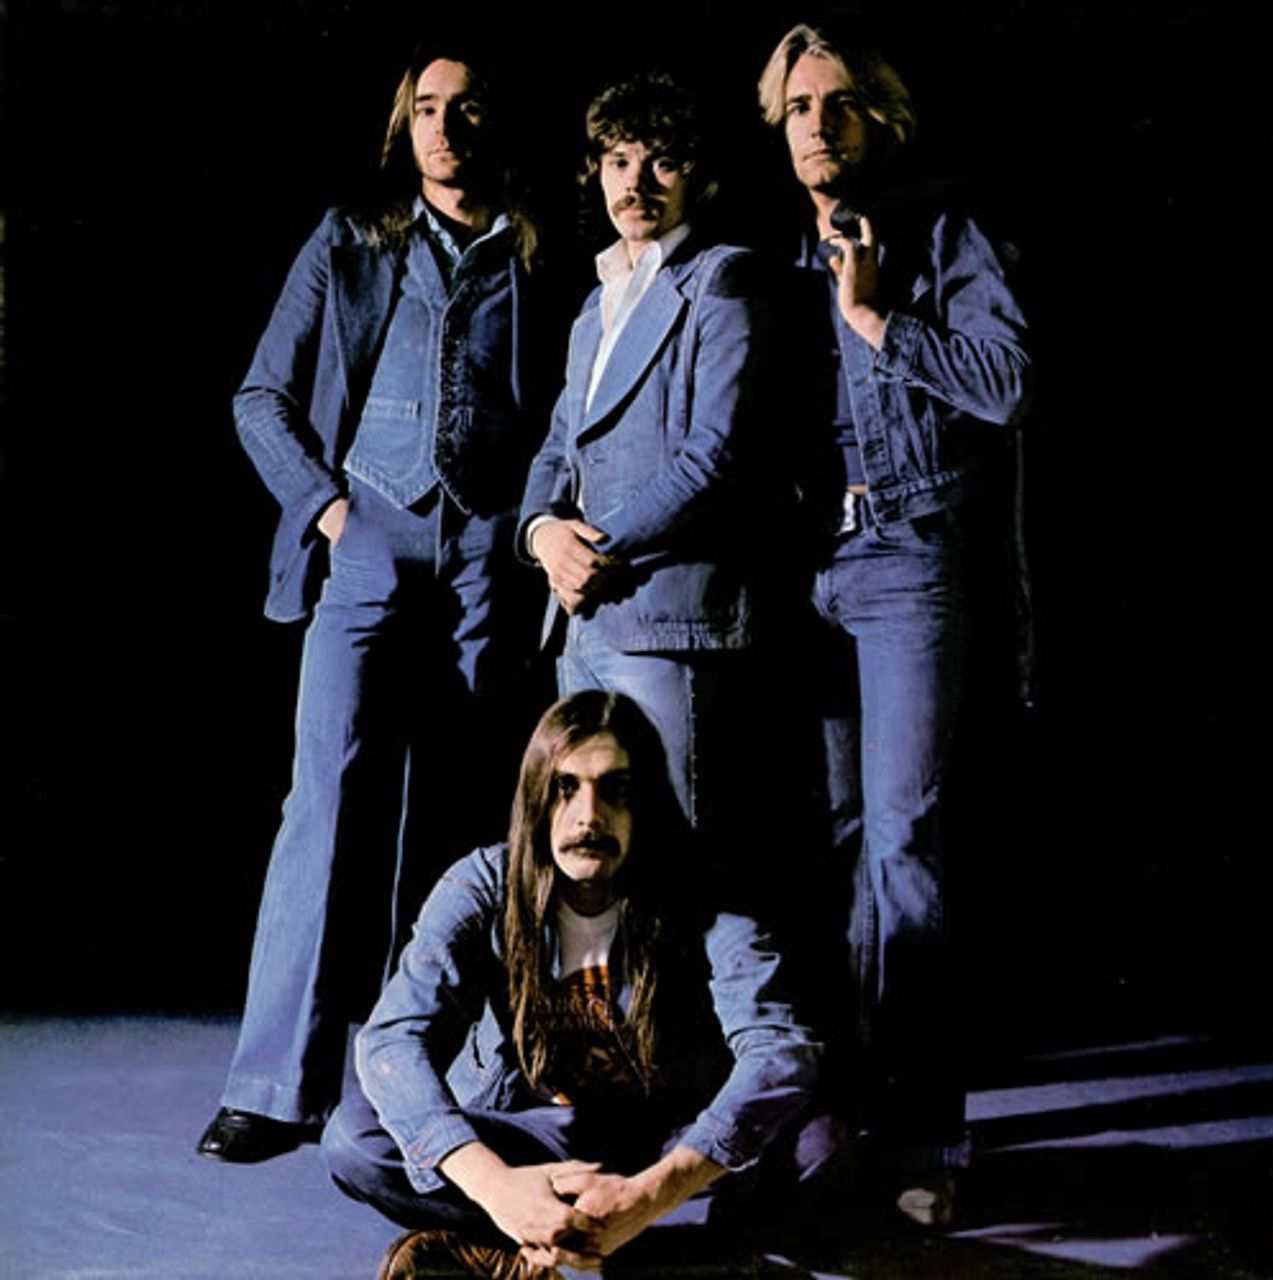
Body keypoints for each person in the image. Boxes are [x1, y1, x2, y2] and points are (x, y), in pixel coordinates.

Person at [197, 42, 560, 1163]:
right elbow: (260, 396)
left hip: (487, 551)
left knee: (467, 813)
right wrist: (328, 510)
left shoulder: (540, 251)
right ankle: (274, 1087)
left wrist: (526, 525)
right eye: (428, 108)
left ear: (496, 125)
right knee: (327, 799)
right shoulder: (350, 240)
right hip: (368, 534)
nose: (447, 126)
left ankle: (442, 1075)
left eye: (467, 107)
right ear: (406, 129)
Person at [756, 22, 1033, 1222]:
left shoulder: (942, 232)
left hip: (911, 551)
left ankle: (923, 1135)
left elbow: (1006, 383)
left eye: (838, 103)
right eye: (797, 106)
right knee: (833, 845)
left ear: (881, 119)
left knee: (904, 844)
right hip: (809, 569)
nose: (817, 124)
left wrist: (877, 320)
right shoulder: (772, 252)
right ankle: (836, 1123)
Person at [321, 690, 835, 1279]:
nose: (589, 816)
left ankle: (545, 1252)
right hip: (532, 1132)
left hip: (662, 1133)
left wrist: (652, 1193)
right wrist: (497, 1187)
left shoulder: (703, 888)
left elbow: (778, 1049)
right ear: (536, 798)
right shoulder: (484, 884)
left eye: (615, 789)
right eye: (566, 787)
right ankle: (651, 1256)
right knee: (355, 1138)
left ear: (645, 802)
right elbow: (392, 1040)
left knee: (818, 1145)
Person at [518, 72, 783, 838]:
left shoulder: (722, 278)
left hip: (665, 615)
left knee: (680, 849)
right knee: (598, 854)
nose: (635, 184)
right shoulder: (593, 305)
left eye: (662, 162)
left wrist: (592, 553)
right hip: (579, 622)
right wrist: (543, 534)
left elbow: (713, 457)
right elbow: (557, 449)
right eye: (618, 162)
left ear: (698, 177)